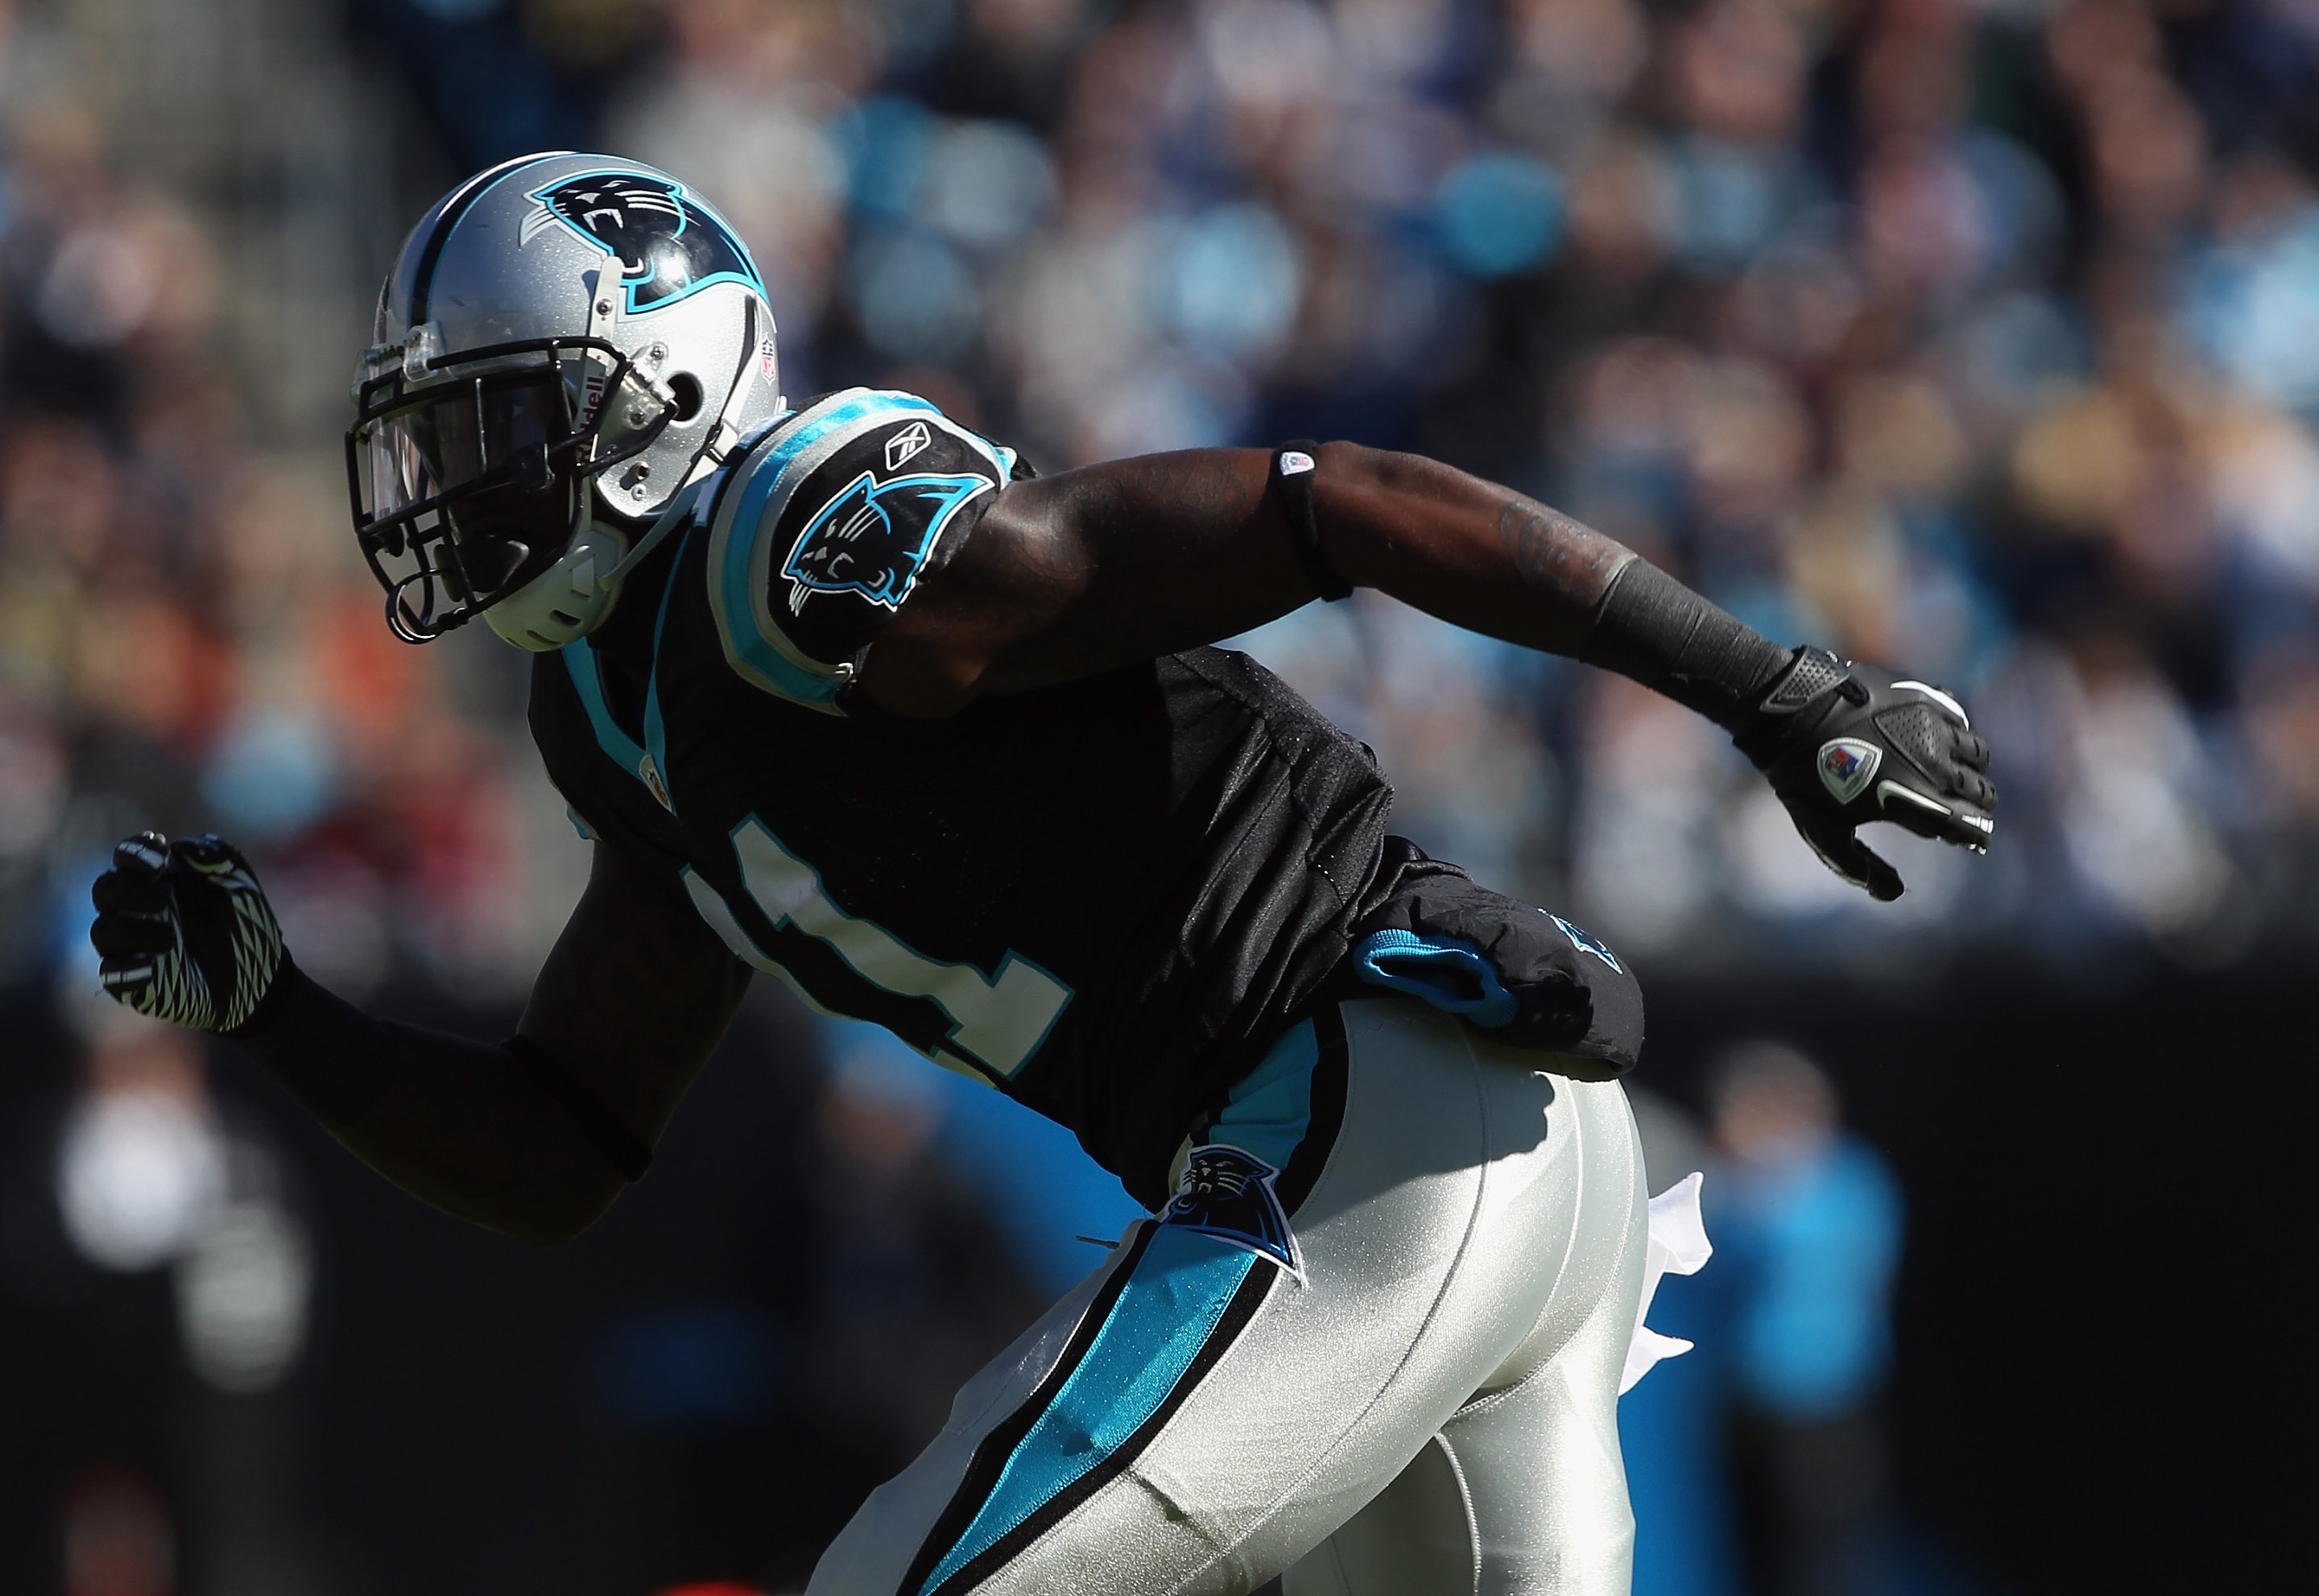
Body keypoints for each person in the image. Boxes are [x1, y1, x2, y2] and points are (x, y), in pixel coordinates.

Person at [85, 155, 1995, 1595]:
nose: (454, 482)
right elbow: (567, 1139)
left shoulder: (797, 547)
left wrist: (1776, 686)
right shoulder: (624, 711)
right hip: (1446, 1168)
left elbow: (1338, 507)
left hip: (1380, 1118)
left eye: (496, 421)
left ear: (653, 393)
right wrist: (276, 1012)